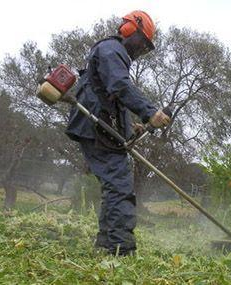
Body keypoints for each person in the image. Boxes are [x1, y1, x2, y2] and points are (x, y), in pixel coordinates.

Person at [65, 10, 170, 256]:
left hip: (97, 126)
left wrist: (131, 125)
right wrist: (149, 112)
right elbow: (120, 86)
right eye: (142, 42)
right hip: (94, 126)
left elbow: (110, 98)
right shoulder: (113, 50)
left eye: (146, 47)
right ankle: (120, 249)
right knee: (120, 185)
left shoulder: (113, 53)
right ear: (129, 30)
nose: (142, 49)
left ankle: (106, 243)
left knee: (115, 185)